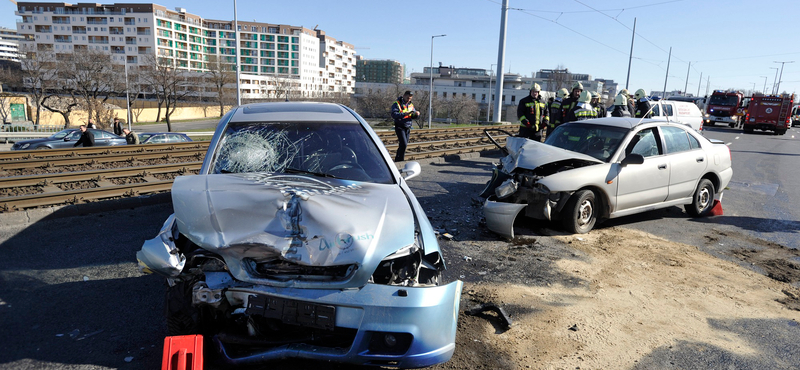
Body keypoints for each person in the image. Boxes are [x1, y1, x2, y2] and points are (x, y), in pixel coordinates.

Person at [390, 90, 418, 162]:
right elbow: (394, 115)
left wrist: (416, 114)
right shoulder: (397, 104)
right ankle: (400, 160)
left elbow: (412, 116)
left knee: (403, 145)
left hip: (407, 126)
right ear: (404, 96)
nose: (409, 100)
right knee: (403, 144)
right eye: (408, 98)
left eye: (410, 98)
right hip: (400, 126)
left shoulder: (411, 105)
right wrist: (404, 114)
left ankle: (398, 159)